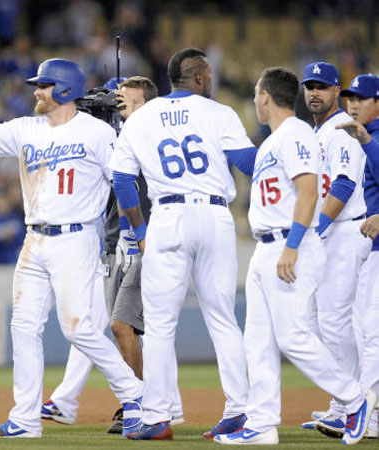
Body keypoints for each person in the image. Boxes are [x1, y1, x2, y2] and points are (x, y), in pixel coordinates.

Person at [0, 52, 144, 439]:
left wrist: (131, 233)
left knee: (79, 329)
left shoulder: (97, 132)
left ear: (66, 89)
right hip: (34, 238)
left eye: (44, 85)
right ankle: (24, 420)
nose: (37, 91)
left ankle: (136, 396)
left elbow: (123, 182)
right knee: (23, 326)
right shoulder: (27, 128)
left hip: (76, 237)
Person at [214, 66, 376, 446]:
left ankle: (355, 399)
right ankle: (262, 423)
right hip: (265, 246)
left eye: (256, 94)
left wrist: (293, 244)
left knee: (294, 337)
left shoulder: (296, 133)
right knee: (259, 341)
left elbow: (308, 191)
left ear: (266, 96)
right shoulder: (272, 141)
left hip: (289, 245)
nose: (254, 100)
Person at [110, 48, 254, 440]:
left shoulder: (142, 118)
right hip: (214, 215)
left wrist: (140, 231)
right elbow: (248, 163)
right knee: (223, 318)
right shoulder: (219, 112)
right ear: (202, 78)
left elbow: (122, 180)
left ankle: (157, 417)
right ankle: (240, 410)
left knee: (159, 325)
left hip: (168, 218)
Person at [40, 76, 185, 433]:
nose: (116, 111)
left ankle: (140, 405)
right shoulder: (103, 138)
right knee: (113, 326)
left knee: (124, 326)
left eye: (123, 104)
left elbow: (128, 188)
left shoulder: (141, 140)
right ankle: (156, 404)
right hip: (112, 243)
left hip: (142, 240)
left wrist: (136, 236)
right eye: (115, 104)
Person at [297, 62, 370, 437]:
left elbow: (342, 186)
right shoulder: (317, 132)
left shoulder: (341, 131)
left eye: (322, 87)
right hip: (328, 233)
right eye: (310, 86)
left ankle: (350, 405)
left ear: (335, 91)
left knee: (335, 320)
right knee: (316, 322)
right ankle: (341, 402)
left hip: (343, 231)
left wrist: (316, 229)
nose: (315, 93)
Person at [333, 73, 379, 440]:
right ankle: (353, 407)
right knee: (362, 329)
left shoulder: (372, 138)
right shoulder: (357, 137)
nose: (353, 103)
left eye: (362, 98)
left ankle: (371, 414)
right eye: (350, 97)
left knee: (372, 333)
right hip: (367, 247)